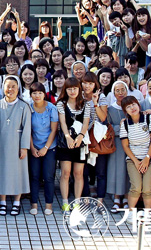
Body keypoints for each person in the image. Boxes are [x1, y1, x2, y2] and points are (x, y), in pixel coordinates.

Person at [0, 76, 32, 217]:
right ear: (3, 88)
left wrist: (24, 147)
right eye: (7, 86)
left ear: (18, 88)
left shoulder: (24, 106)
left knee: (18, 172)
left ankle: (16, 202)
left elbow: (27, 128)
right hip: (1, 144)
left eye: (13, 86)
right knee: (1, 171)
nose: (10, 89)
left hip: (17, 143)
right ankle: (2, 202)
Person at [119, 96, 151, 223]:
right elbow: (125, 145)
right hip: (133, 159)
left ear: (138, 104)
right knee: (136, 186)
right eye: (128, 107)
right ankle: (131, 213)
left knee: (148, 188)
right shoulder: (125, 124)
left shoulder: (148, 118)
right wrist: (136, 161)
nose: (132, 108)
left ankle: (147, 213)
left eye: (134, 104)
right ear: (125, 110)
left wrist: (147, 158)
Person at [56, 77, 91, 213]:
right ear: (66, 89)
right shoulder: (61, 104)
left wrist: (80, 137)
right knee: (65, 173)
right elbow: (63, 123)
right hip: (65, 143)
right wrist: (68, 137)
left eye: (75, 88)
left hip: (80, 143)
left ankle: (77, 202)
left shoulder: (86, 104)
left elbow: (86, 123)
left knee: (79, 173)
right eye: (69, 88)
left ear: (79, 89)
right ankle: (65, 202)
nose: (72, 91)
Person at [28, 82, 58, 215]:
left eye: (40, 92)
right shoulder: (28, 108)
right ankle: (33, 204)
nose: (37, 95)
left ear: (44, 94)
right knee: (34, 176)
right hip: (34, 146)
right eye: (34, 93)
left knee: (48, 176)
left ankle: (48, 205)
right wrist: (32, 148)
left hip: (49, 147)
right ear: (31, 95)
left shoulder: (51, 108)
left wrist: (46, 147)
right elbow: (27, 130)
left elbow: (53, 130)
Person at [106, 81, 129, 213]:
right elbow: (108, 128)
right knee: (116, 170)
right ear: (113, 93)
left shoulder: (132, 106)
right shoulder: (110, 109)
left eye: (123, 90)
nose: (120, 93)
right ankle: (116, 199)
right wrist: (120, 127)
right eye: (117, 90)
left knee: (128, 170)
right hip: (116, 143)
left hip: (131, 144)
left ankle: (126, 198)